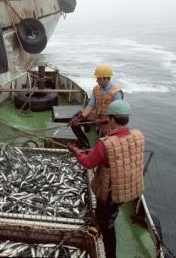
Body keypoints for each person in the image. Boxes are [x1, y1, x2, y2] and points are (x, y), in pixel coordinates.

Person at [67, 100, 145, 258]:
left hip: (111, 193)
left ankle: (110, 254)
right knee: (111, 213)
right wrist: (93, 151)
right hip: (129, 187)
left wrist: (76, 152)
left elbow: (89, 164)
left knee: (107, 225)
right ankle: (105, 220)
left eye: (109, 117)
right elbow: (119, 155)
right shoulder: (138, 135)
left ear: (112, 118)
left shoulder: (106, 144)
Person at [71, 64, 123, 141]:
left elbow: (119, 115)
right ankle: (85, 144)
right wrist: (81, 117)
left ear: (106, 79)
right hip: (97, 117)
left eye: (99, 79)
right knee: (74, 121)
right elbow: (90, 105)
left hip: (110, 122)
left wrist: (104, 121)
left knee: (105, 137)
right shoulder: (96, 89)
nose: (97, 80)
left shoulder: (116, 93)